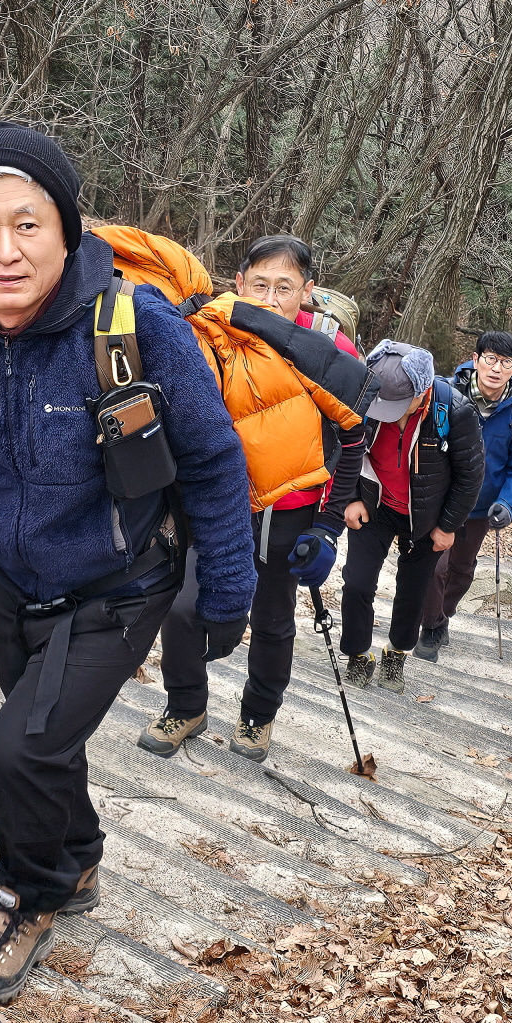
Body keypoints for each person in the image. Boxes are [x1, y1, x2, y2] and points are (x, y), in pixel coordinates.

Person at [0, 123, 256, 1007]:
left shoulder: (138, 327)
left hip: (119, 586)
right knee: (48, 744)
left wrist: (229, 589)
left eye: (27, 225)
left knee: (19, 748)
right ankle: (76, 858)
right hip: (14, 582)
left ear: (67, 229)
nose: (3, 251)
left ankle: (25, 898)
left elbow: (212, 461)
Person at [141, 235, 369, 764]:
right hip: (218, 506)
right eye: (259, 285)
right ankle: (186, 705)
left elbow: (354, 440)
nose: (269, 299)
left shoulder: (327, 350)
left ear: (307, 292)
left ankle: (258, 715)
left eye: (284, 288)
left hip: (291, 513)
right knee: (182, 607)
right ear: (238, 284)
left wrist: (327, 527)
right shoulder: (211, 333)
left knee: (272, 620)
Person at [338, 342, 484, 693]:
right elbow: (346, 449)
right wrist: (352, 498)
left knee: (413, 591)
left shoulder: (455, 411)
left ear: (423, 391)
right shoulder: (365, 397)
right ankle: (357, 653)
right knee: (357, 583)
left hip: (426, 517)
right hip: (376, 504)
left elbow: (470, 476)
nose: (387, 411)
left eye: (398, 404)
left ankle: (397, 652)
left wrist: (447, 525)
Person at [414, 331, 512, 661]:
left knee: (461, 571)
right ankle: (430, 626)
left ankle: (442, 615)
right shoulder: (444, 393)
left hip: (482, 506)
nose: (496, 368)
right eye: (490, 359)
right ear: (476, 359)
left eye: (506, 362)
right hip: (439, 499)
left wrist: (508, 504)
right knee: (435, 567)